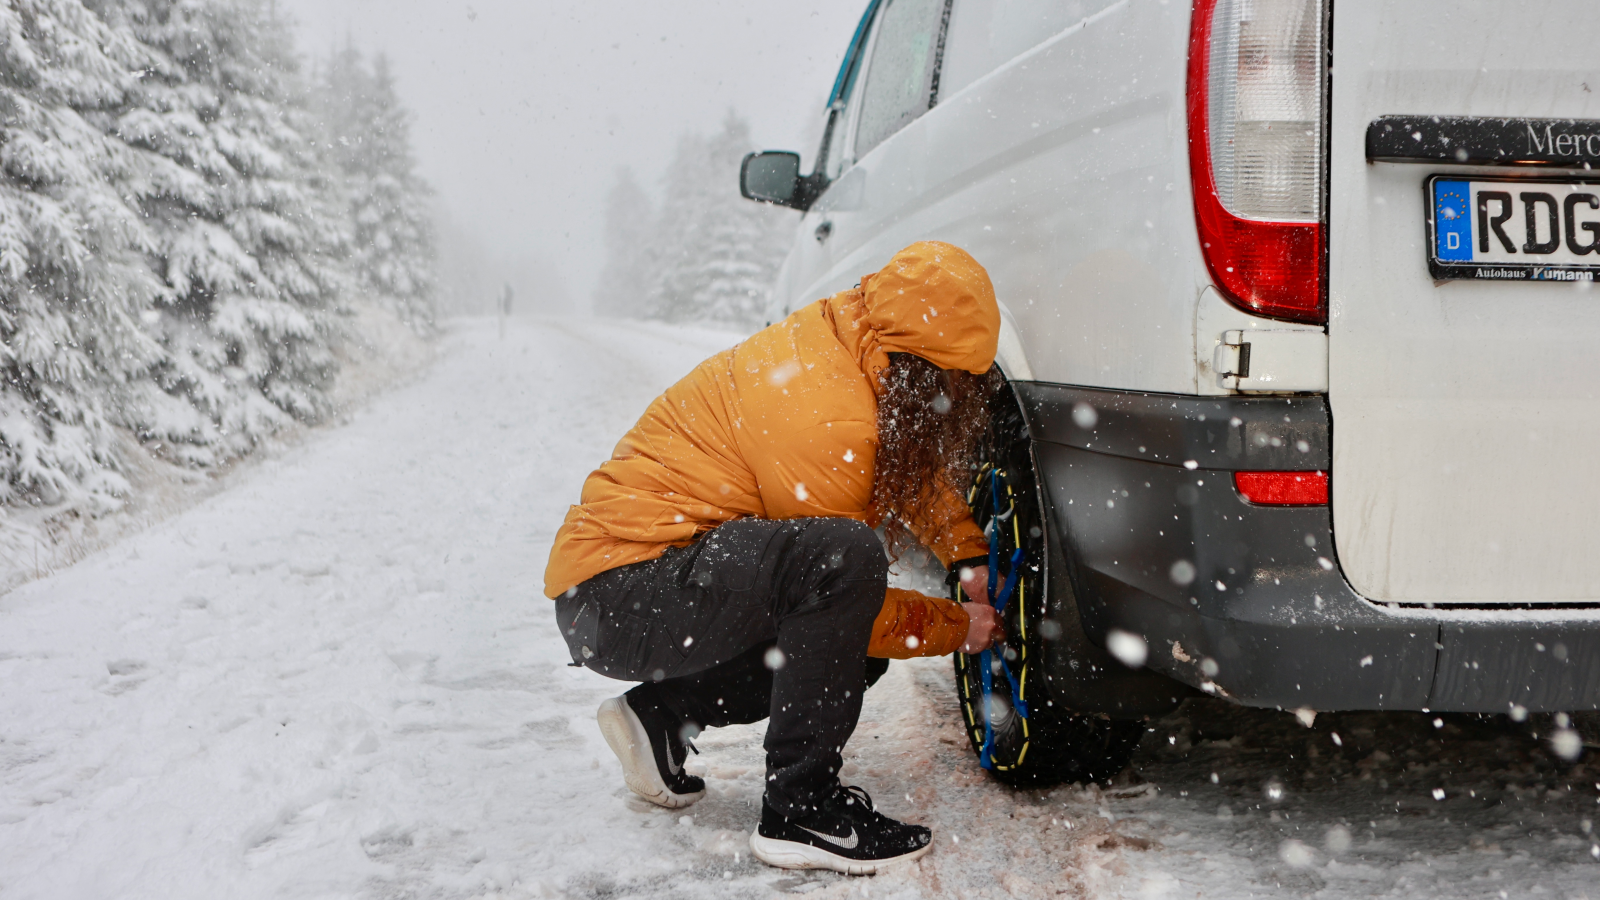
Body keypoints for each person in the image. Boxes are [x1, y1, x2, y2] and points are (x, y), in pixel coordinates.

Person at [545, 242, 1006, 875]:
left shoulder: (853, 342)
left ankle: (662, 716)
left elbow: (900, 465)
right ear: (924, 372)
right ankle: (800, 810)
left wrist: (966, 554)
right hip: (619, 593)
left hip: (633, 586)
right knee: (847, 570)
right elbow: (846, 595)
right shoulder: (823, 413)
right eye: (955, 386)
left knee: (849, 651)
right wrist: (957, 627)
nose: (959, 403)